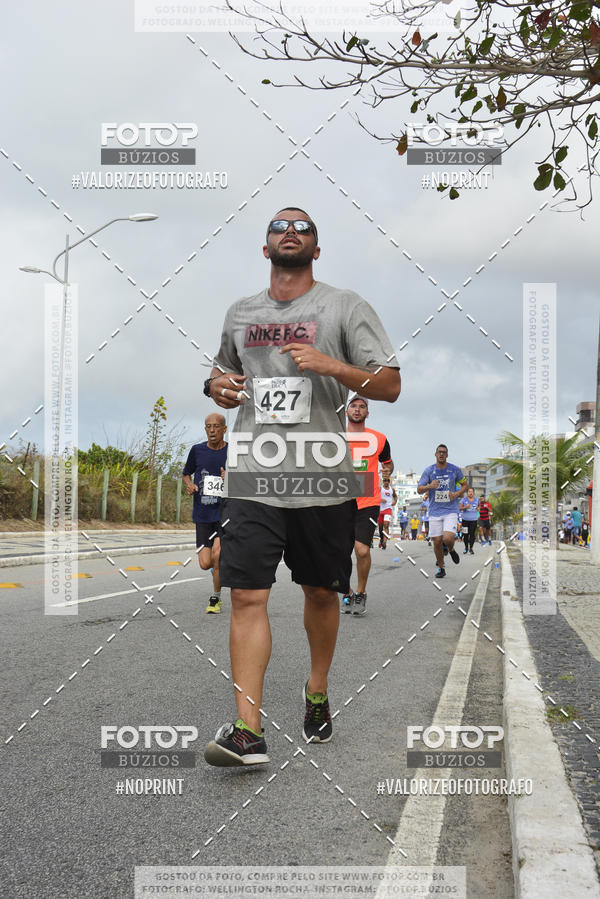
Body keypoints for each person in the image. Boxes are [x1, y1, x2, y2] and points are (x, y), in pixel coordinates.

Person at [202, 206, 400, 766]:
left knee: (319, 591)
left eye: (304, 227)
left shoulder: (344, 306)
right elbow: (218, 373)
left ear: (317, 248)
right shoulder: (240, 313)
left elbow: (389, 384)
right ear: (265, 249)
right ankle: (248, 731)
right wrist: (217, 387)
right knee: (245, 593)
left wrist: (330, 366)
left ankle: (316, 691)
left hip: (320, 470)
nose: (291, 231)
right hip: (254, 470)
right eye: (279, 227)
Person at [344, 396, 394, 615]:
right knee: (339, 551)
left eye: (362, 407)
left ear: (367, 412)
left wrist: (388, 470)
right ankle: (346, 591)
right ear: (346, 411)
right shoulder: (335, 436)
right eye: (353, 406)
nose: (357, 409)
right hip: (339, 499)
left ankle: (361, 592)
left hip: (368, 500)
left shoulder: (379, 439)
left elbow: (388, 462)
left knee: (362, 550)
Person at [182, 414, 228, 613]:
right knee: (205, 563)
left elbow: (247, 480)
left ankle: (215, 598)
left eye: (216, 426)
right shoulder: (197, 450)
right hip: (202, 514)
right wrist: (190, 484)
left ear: (224, 429)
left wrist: (231, 478)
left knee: (217, 556)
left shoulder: (233, 452)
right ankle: (216, 570)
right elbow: (186, 473)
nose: (212, 430)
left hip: (224, 514)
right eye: (208, 426)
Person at [417, 445, 467, 578]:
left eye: (444, 452)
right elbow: (419, 489)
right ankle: (441, 568)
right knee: (437, 541)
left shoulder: (455, 470)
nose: (441, 454)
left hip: (450, 509)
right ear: (435, 454)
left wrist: (456, 494)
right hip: (434, 511)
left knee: (448, 538)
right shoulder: (429, 471)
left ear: (447, 455)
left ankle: (451, 549)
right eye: (439, 452)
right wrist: (429, 486)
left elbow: (465, 485)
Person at [378, 474, 397, 549]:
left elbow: (395, 496)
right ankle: (381, 539)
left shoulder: (392, 490)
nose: (386, 482)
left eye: (388, 480)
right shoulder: (380, 489)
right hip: (380, 510)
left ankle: (385, 542)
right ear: (383, 481)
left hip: (388, 509)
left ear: (389, 482)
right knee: (380, 528)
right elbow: (375, 496)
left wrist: (395, 502)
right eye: (385, 480)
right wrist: (380, 499)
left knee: (386, 525)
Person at [460, 487, 479, 554]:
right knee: (465, 535)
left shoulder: (477, 500)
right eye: (469, 491)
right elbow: (460, 508)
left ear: (473, 493)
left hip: (473, 520)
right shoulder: (463, 500)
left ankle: (471, 548)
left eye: (472, 492)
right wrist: (465, 507)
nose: (470, 493)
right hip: (465, 520)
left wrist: (478, 509)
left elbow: (479, 508)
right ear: (467, 493)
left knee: (472, 535)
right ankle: (466, 547)